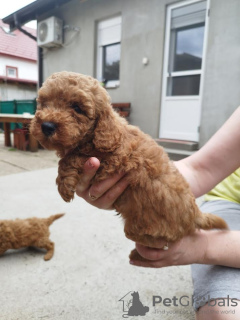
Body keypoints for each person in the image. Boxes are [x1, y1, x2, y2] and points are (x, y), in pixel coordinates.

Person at [76, 106, 240, 319]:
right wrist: (134, 187)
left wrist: (205, 246)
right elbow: (201, 169)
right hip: (231, 203)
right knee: (225, 313)